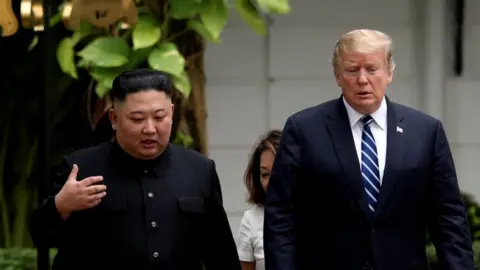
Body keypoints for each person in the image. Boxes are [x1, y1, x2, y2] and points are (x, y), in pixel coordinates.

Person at [263, 29, 474, 270]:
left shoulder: (425, 131)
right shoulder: (304, 129)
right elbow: (281, 216)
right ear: (337, 75)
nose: (362, 79)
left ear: (389, 72)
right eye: (352, 70)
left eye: (372, 69)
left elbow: (449, 219)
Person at [29, 69, 241, 270]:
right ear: (114, 119)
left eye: (159, 117)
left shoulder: (199, 169)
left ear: (172, 113)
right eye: (137, 119)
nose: (150, 129)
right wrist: (61, 206)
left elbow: (221, 253)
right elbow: (40, 236)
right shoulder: (81, 169)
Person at [237, 130, 282, 270]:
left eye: (278, 171)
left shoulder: (316, 214)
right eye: (265, 174)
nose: (271, 181)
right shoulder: (251, 220)